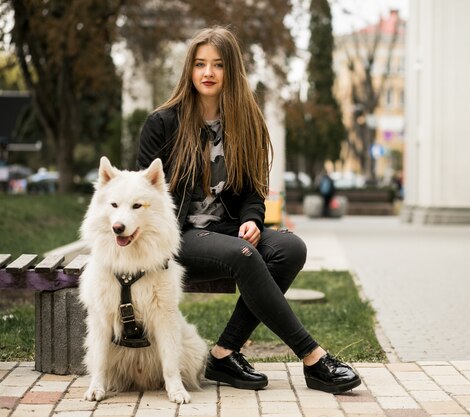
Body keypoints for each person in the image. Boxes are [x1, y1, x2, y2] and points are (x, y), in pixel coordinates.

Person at [136, 26, 361, 394]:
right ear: (189, 70)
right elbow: (145, 194)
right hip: (175, 236)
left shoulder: (245, 122)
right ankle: (313, 358)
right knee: (243, 255)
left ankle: (224, 354)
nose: (208, 73)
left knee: (290, 248)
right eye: (200, 64)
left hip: (224, 231)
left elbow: (253, 191)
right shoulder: (163, 123)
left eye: (218, 65)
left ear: (231, 71)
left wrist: (252, 220)